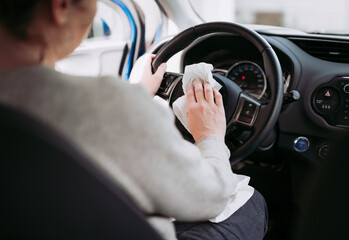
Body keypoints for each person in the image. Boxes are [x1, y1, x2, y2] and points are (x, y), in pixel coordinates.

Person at [0, 0, 267, 239]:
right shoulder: (110, 103)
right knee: (250, 201)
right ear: (61, 6)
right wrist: (210, 136)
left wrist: (136, 94)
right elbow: (211, 196)